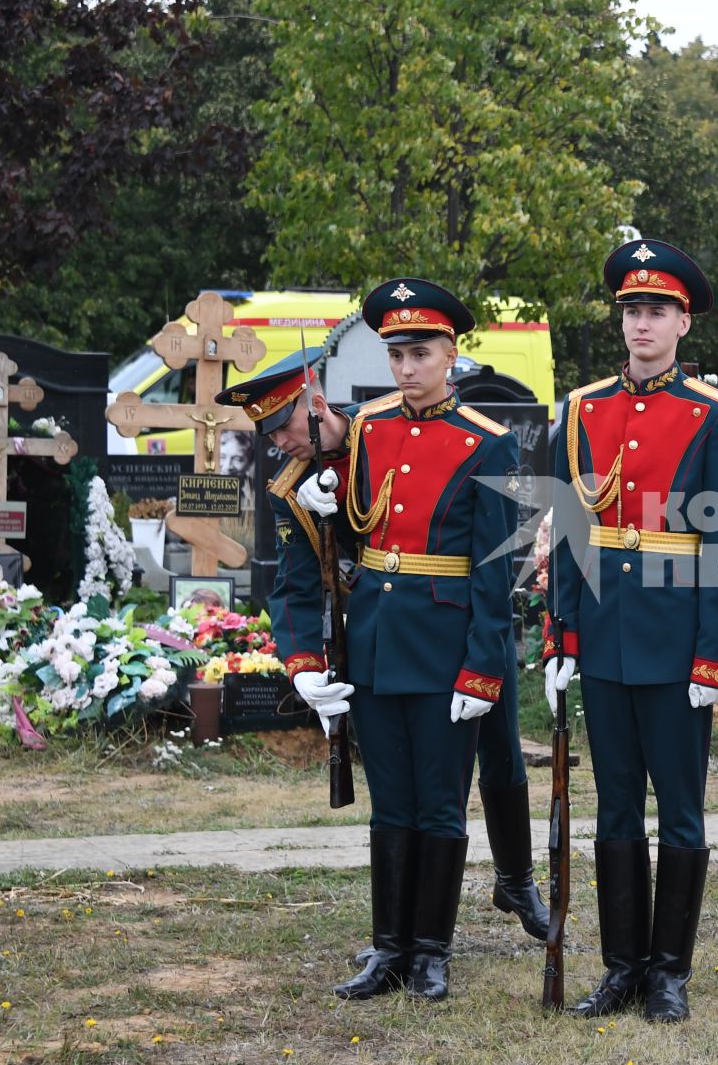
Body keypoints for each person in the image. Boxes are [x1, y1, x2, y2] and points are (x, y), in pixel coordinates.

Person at [223, 348, 551, 968]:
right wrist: (303, 665)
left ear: (317, 408)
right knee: (405, 792)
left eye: (286, 429)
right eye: (267, 437)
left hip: (462, 620)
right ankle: (400, 938)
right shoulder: (296, 484)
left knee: (501, 751)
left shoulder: (378, 429)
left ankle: (515, 876)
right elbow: (295, 585)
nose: (281, 446)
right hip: (390, 637)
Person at [292, 278, 523, 1003]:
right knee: (390, 803)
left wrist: (483, 668)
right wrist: (320, 494)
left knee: (440, 805)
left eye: (420, 353)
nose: (406, 369)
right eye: (397, 355)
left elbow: (494, 573)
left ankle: (431, 950)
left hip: (446, 643)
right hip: (378, 642)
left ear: (450, 354)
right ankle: (387, 947)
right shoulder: (367, 428)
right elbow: (345, 521)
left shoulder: (488, 444)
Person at [544, 239, 718, 1024]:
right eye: (631, 311)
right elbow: (570, 532)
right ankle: (621, 967)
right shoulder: (583, 407)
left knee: (682, 811)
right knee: (615, 807)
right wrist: (563, 636)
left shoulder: (712, 414)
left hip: (674, 639)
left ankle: (669, 972)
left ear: (682, 322)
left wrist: (714, 655)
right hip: (604, 635)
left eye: (656, 311)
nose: (641, 325)